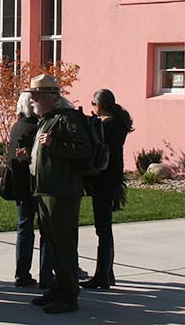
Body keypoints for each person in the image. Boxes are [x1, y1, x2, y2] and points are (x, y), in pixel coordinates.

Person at [27, 75, 94, 314]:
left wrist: (53, 144)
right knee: (53, 243)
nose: (32, 100)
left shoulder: (67, 119)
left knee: (64, 244)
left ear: (48, 97)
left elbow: (83, 150)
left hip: (61, 192)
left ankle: (68, 295)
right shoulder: (48, 119)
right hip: (46, 191)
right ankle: (58, 288)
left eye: (35, 95)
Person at [82, 89, 133, 290]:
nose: (92, 108)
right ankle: (107, 272)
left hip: (103, 179)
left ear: (99, 105)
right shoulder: (118, 123)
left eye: (93, 104)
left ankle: (102, 274)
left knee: (103, 228)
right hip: (112, 177)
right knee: (105, 227)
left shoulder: (106, 126)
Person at [0, 93, 40, 288]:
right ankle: (43, 274)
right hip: (34, 186)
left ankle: (21, 272)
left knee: (24, 228)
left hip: (19, 185)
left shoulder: (18, 127)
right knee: (43, 230)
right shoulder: (35, 128)